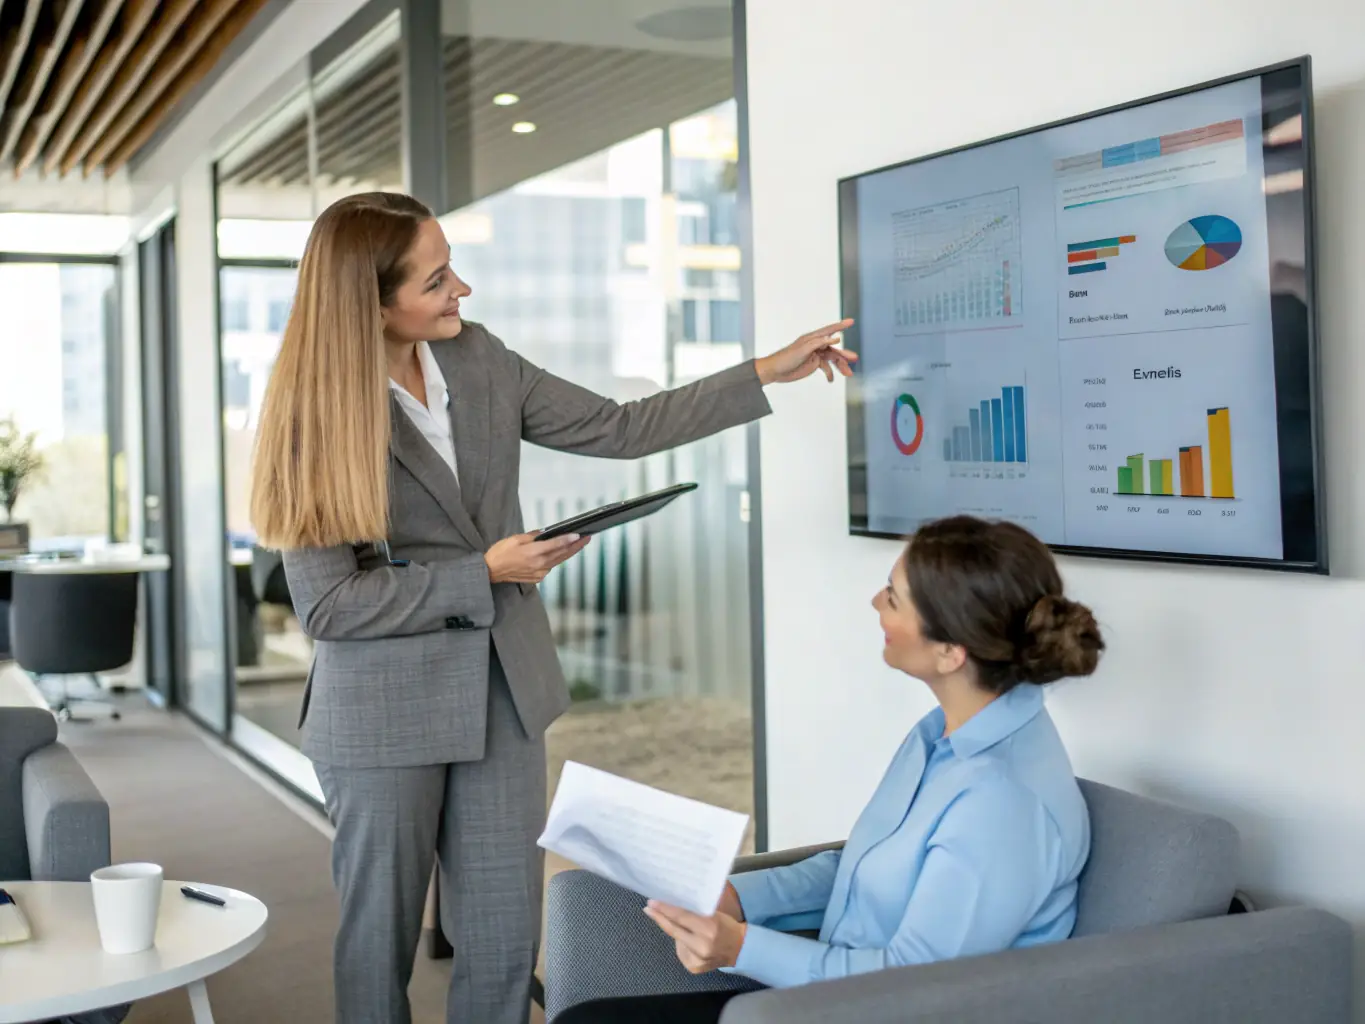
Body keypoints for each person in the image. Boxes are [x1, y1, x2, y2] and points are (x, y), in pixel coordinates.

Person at [247, 190, 856, 1024]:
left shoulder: (479, 359)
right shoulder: (308, 421)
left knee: (502, 941)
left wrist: (763, 370)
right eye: (436, 280)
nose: (461, 290)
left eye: (451, 266)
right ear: (373, 304)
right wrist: (485, 571)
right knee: (376, 941)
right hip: (380, 714)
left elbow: (618, 427)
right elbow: (330, 608)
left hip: (502, 690)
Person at [558, 514, 1105, 1023]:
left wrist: (739, 947)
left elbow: (916, 982)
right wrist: (740, 898)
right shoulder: (942, 735)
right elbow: (860, 868)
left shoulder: (1001, 803)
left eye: (893, 597)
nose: (875, 604)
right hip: (833, 992)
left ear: (950, 653)